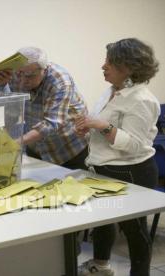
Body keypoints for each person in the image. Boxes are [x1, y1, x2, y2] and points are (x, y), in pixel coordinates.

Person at [75, 38, 160, 276]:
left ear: (129, 67)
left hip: (131, 170)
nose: (103, 66)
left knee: (135, 230)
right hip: (104, 167)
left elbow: (134, 145)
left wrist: (101, 125)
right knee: (103, 220)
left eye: (110, 62)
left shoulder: (142, 100)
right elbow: (106, 124)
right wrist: (89, 126)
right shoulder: (114, 90)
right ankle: (100, 266)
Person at [8, 47, 88, 170]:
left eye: (29, 76)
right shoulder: (17, 73)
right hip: (36, 147)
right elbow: (9, 107)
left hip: (68, 149)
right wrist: (1, 85)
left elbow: (52, 123)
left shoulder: (60, 81)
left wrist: (16, 142)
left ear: (44, 70)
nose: (23, 80)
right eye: (20, 74)